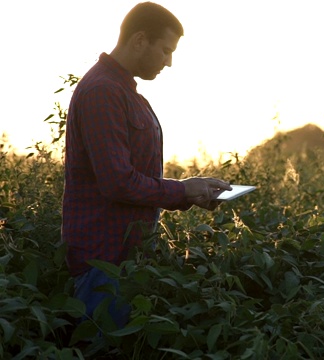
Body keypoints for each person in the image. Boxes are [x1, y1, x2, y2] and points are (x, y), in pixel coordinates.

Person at [62, 2, 231, 329]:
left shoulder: (125, 91)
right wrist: (183, 189)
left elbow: (133, 177)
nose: (169, 62)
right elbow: (117, 182)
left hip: (122, 259)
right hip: (103, 262)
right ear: (140, 40)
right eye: (165, 50)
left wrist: (190, 193)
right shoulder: (103, 91)